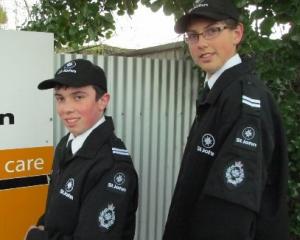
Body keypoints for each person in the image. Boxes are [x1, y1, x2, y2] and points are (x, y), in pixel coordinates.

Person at [163, 0, 289, 239]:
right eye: (193, 35)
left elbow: (230, 213)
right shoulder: (219, 92)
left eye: (212, 30)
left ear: (237, 33)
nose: (201, 43)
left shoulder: (243, 101)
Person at [24, 59, 138, 240]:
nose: (66, 109)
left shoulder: (112, 166)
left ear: (102, 100)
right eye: (60, 98)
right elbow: (57, 208)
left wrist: (35, 237)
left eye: (78, 97)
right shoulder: (65, 144)